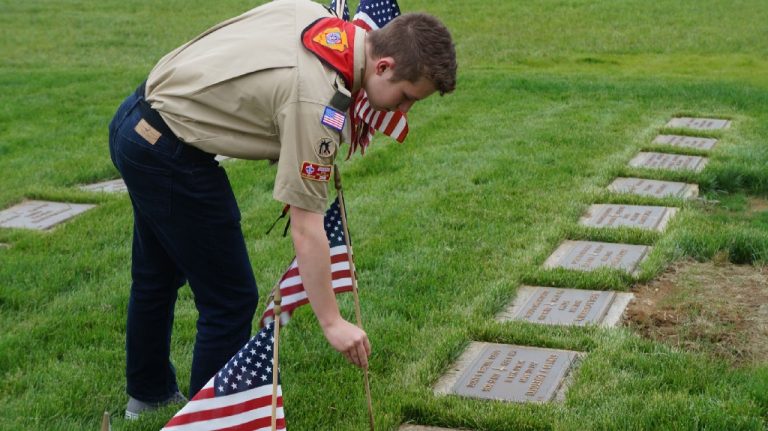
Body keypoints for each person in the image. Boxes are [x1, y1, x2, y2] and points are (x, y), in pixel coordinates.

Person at [108, 0, 456, 419]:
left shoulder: (315, 15)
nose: (402, 112)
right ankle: (211, 423)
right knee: (231, 299)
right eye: (405, 98)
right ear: (381, 66)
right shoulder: (319, 104)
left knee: (156, 276)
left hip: (136, 121)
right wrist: (332, 322)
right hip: (169, 152)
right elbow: (307, 229)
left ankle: (147, 398)